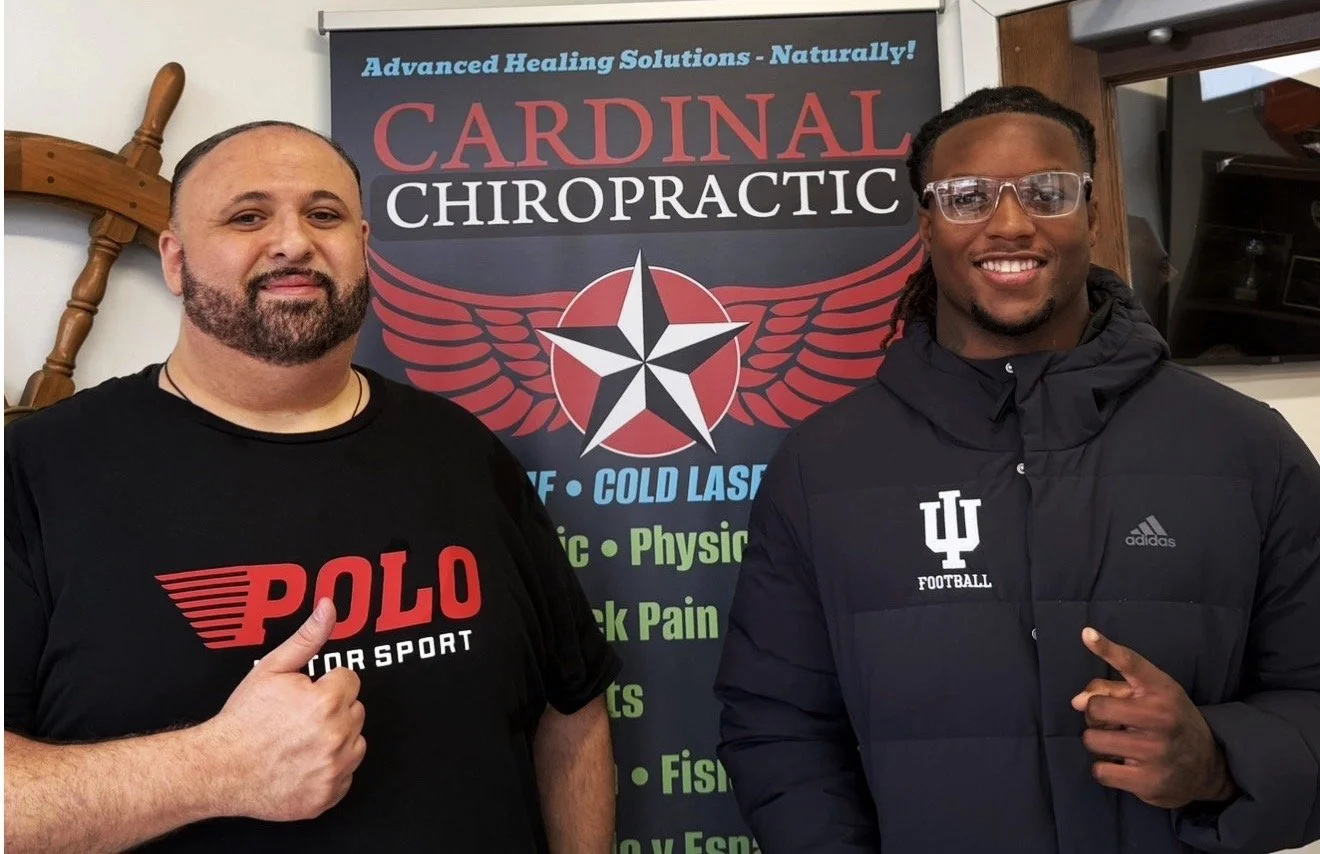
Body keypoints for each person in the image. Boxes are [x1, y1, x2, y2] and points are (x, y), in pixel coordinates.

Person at [713, 86, 1320, 854]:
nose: (1010, 223)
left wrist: (1220, 762)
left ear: (1090, 213)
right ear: (926, 223)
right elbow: (775, 727)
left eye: (1047, 191)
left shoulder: (1245, 449)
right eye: (966, 196)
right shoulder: (822, 466)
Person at [4, 120, 621, 853]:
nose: (294, 241)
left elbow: (571, 708)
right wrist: (213, 769)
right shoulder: (36, 472)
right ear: (175, 260)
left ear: (362, 246)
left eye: (323, 215)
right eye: (247, 216)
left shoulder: (462, 451)